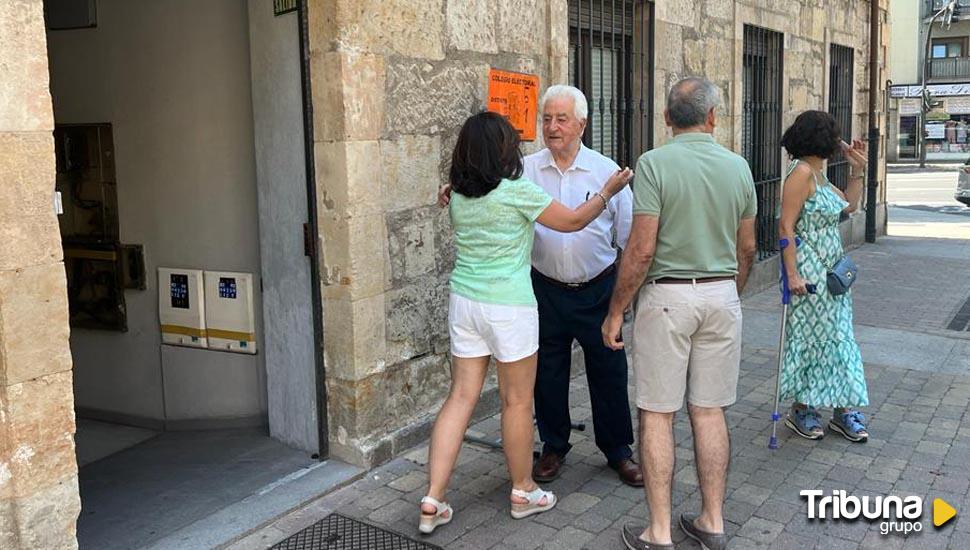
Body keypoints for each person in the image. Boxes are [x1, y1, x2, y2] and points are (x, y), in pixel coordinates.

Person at [420, 111, 632, 534]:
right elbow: (572, 222)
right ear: (503, 150)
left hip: (464, 303)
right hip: (510, 308)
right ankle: (523, 490)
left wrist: (446, 189)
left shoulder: (459, 196)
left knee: (460, 397)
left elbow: (458, 192)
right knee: (517, 402)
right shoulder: (519, 192)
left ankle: (433, 498)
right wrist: (607, 192)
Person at [602, 77, 757, 550]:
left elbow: (641, 249)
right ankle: (712, 521)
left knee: (657, 414)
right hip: (721, 295)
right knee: (709, 412)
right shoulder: (738, 167)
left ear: (667, 118)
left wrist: (615, 311)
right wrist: (731, 292)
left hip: (668, 298)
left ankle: (660, 531)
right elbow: (748, 246)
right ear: (713, 117)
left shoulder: (654, 164)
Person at [524, 85, 642, 487]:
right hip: (546, 288)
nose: (552, 127)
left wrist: (620, 304)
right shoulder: (526, 169)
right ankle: (554, 445)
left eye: (561, 119)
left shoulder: (605, 172)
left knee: (609, 369)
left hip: (597, 289)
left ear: (582, 124)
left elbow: (627, 241)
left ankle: (617, 451)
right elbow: (493, 195)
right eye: (546, 119)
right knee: (548, 373)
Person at [777, 110, 870, 443]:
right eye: (834, 136)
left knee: (837, 338)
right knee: (813, 340)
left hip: (831, 272)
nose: (838, 141)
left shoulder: (817, 172)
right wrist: (791, 275)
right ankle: (804, 408)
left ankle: (842, 409)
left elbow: (847, 206)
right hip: (809, 271)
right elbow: (786, 226)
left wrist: (857, 169)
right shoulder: (801, 173)